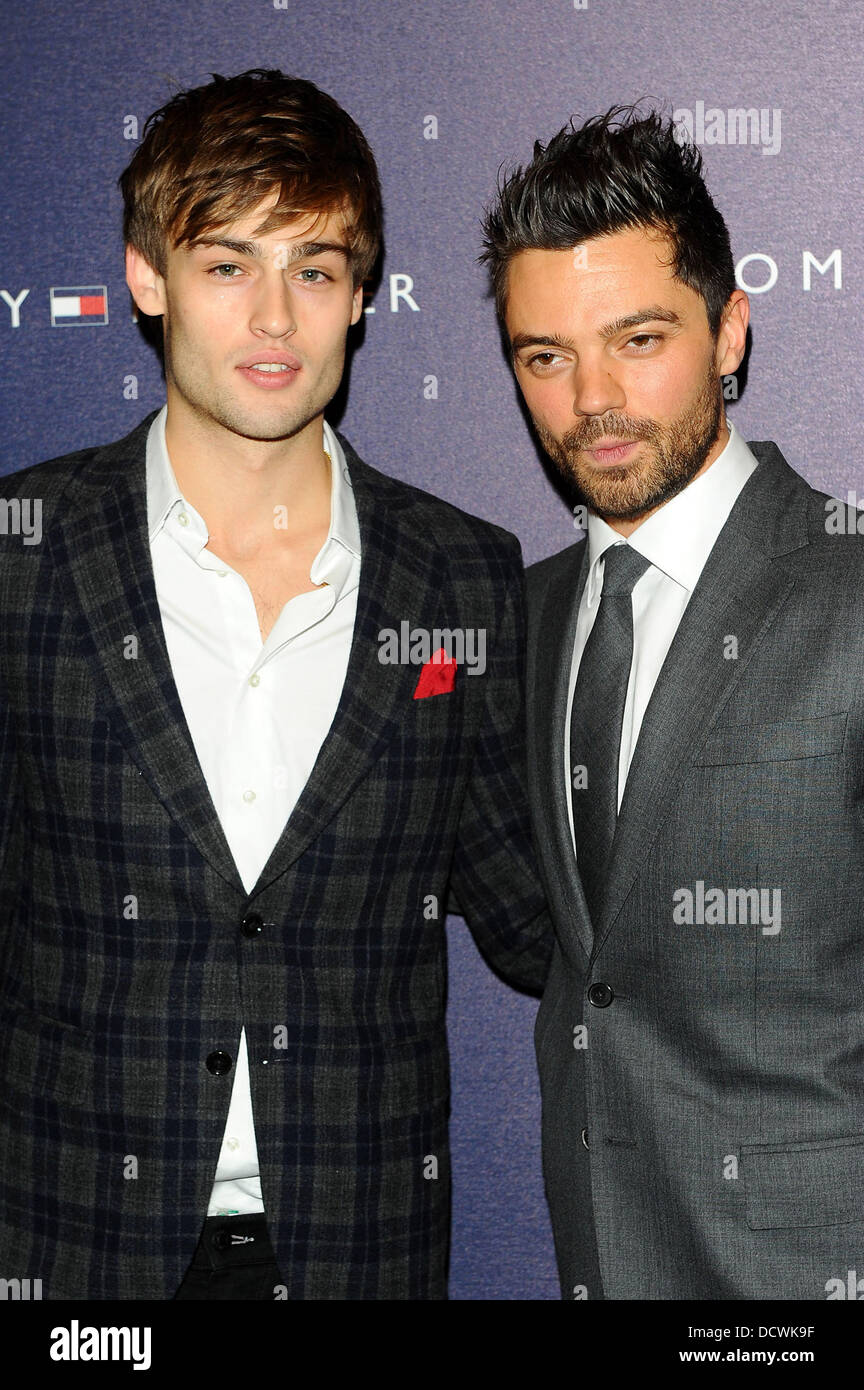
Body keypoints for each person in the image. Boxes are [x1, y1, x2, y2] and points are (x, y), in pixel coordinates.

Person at [0, 68, 551, 1301]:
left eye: (313, 269)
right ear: (147, 276)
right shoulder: (20, 555)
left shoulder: (459, 577)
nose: (273, 320)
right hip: (62, 1247)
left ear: (361, 298)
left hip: (353, 1253)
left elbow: (538, 920)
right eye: (228, 263)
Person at [481, 105, 864, 1300]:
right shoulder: (521, 617)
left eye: (636, 338)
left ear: (730, 328)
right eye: (545, 356)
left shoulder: (850, 588)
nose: (591, 397)